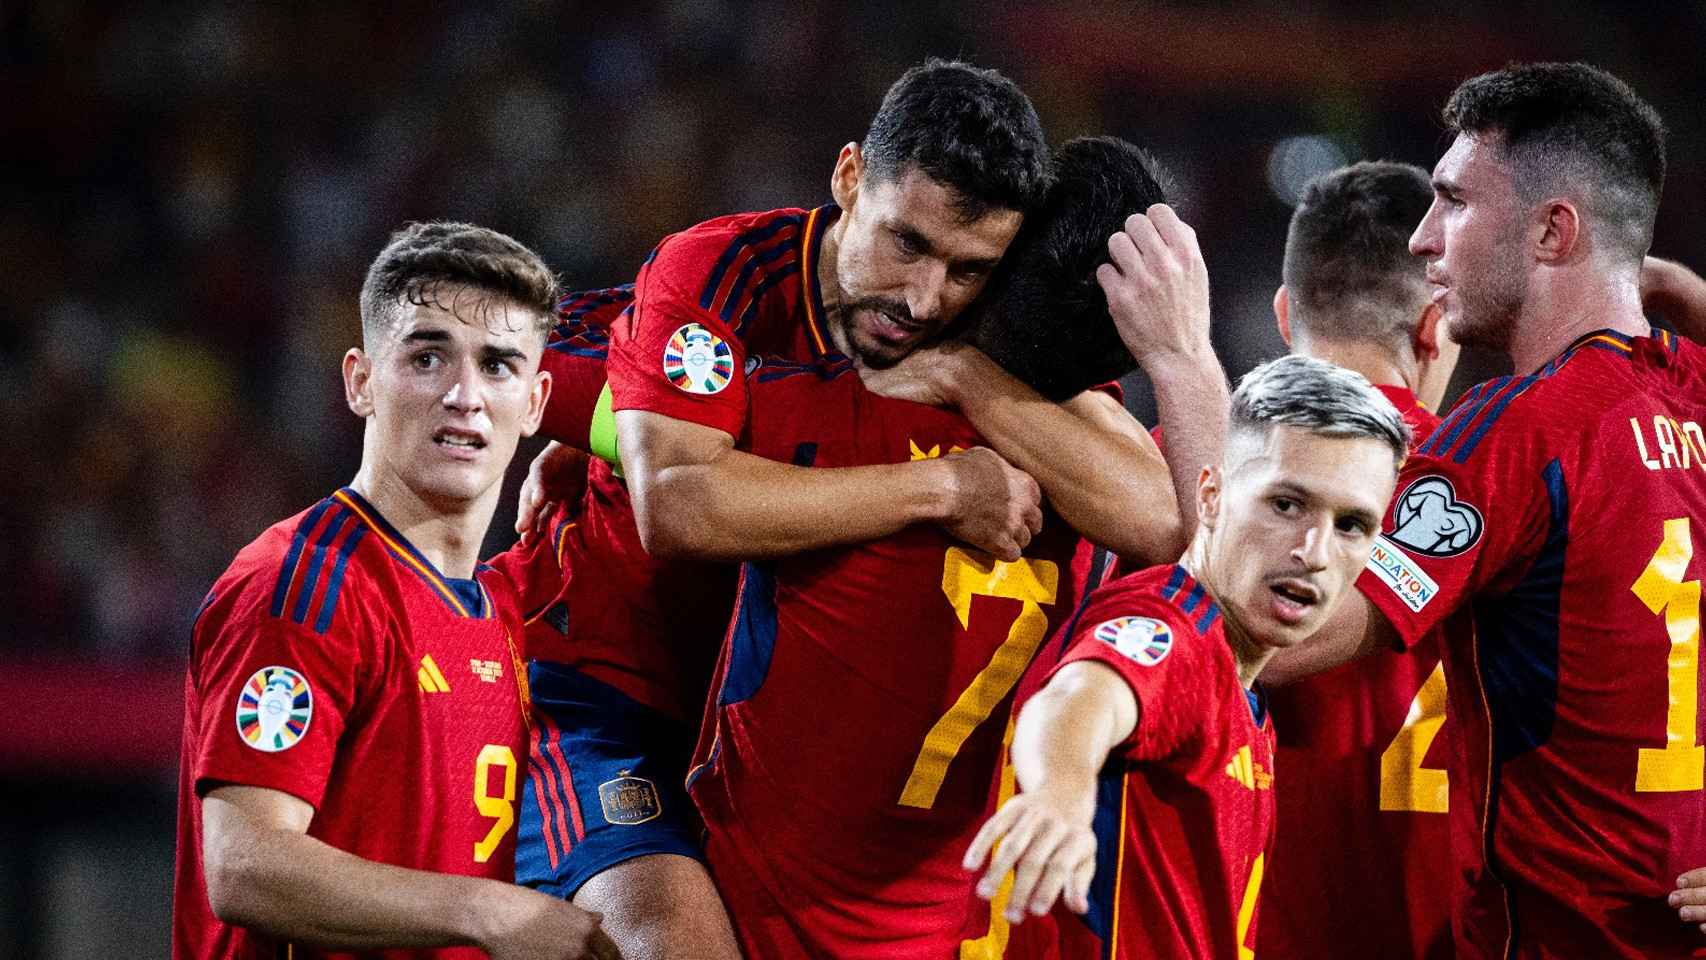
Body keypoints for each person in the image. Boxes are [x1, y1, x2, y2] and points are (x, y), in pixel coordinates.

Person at [510, 59, 1224, 960]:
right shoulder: (723, 274)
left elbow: (1167, 524)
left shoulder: (968, 334)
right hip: (606, 694)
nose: (924, 299)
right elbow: (678, 504)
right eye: (906, 244)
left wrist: (970, 375)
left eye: (969, 269)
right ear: (849, 177)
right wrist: (943, 487)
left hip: (738, 741)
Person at [1261, 62, 1706, 958]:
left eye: (1455, 202)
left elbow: (1287, 647)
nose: (1426, 240)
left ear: (1552, 230)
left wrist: (1187, 371)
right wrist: (1672, 290)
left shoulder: (1510, 436)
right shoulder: (1693, 393)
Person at [170, 222, 617, 960]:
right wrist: (490, 913)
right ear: (360, 381)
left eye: (499, 365)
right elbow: (245, 865)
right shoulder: (302, 585)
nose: (464, 395)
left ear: (536, 404)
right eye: (428, 356)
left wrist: (590, 459)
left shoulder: (504, 607)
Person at [963, 354, 1409, 959]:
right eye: (1286, 504)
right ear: (1212, 495)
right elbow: (1084, 696)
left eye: (1352, 523)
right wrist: (1060, 790)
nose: (1315, 551)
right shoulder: (1173, 626)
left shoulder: (1239, 674)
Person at [1257, 161, 1459, 960]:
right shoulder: (1500, 477)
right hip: (1455, 930)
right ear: (1434, 327)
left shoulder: (1181, 474)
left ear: (1284, 314)